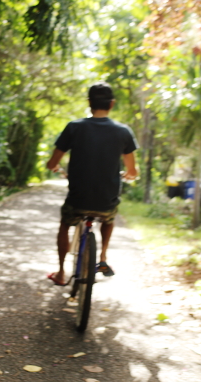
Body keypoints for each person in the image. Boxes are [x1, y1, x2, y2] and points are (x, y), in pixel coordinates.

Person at [46, 82, 138, 286]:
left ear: (89, 103)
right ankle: (102, 257)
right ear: (112, 104)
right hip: (106, 202)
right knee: (109, 218)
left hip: (77, 200)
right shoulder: (123, 131)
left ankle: (61, 272)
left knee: (65, 224)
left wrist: (55, 167)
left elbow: (52, 163)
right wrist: (129, 174)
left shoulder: (74, 127)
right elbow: (132, 171)